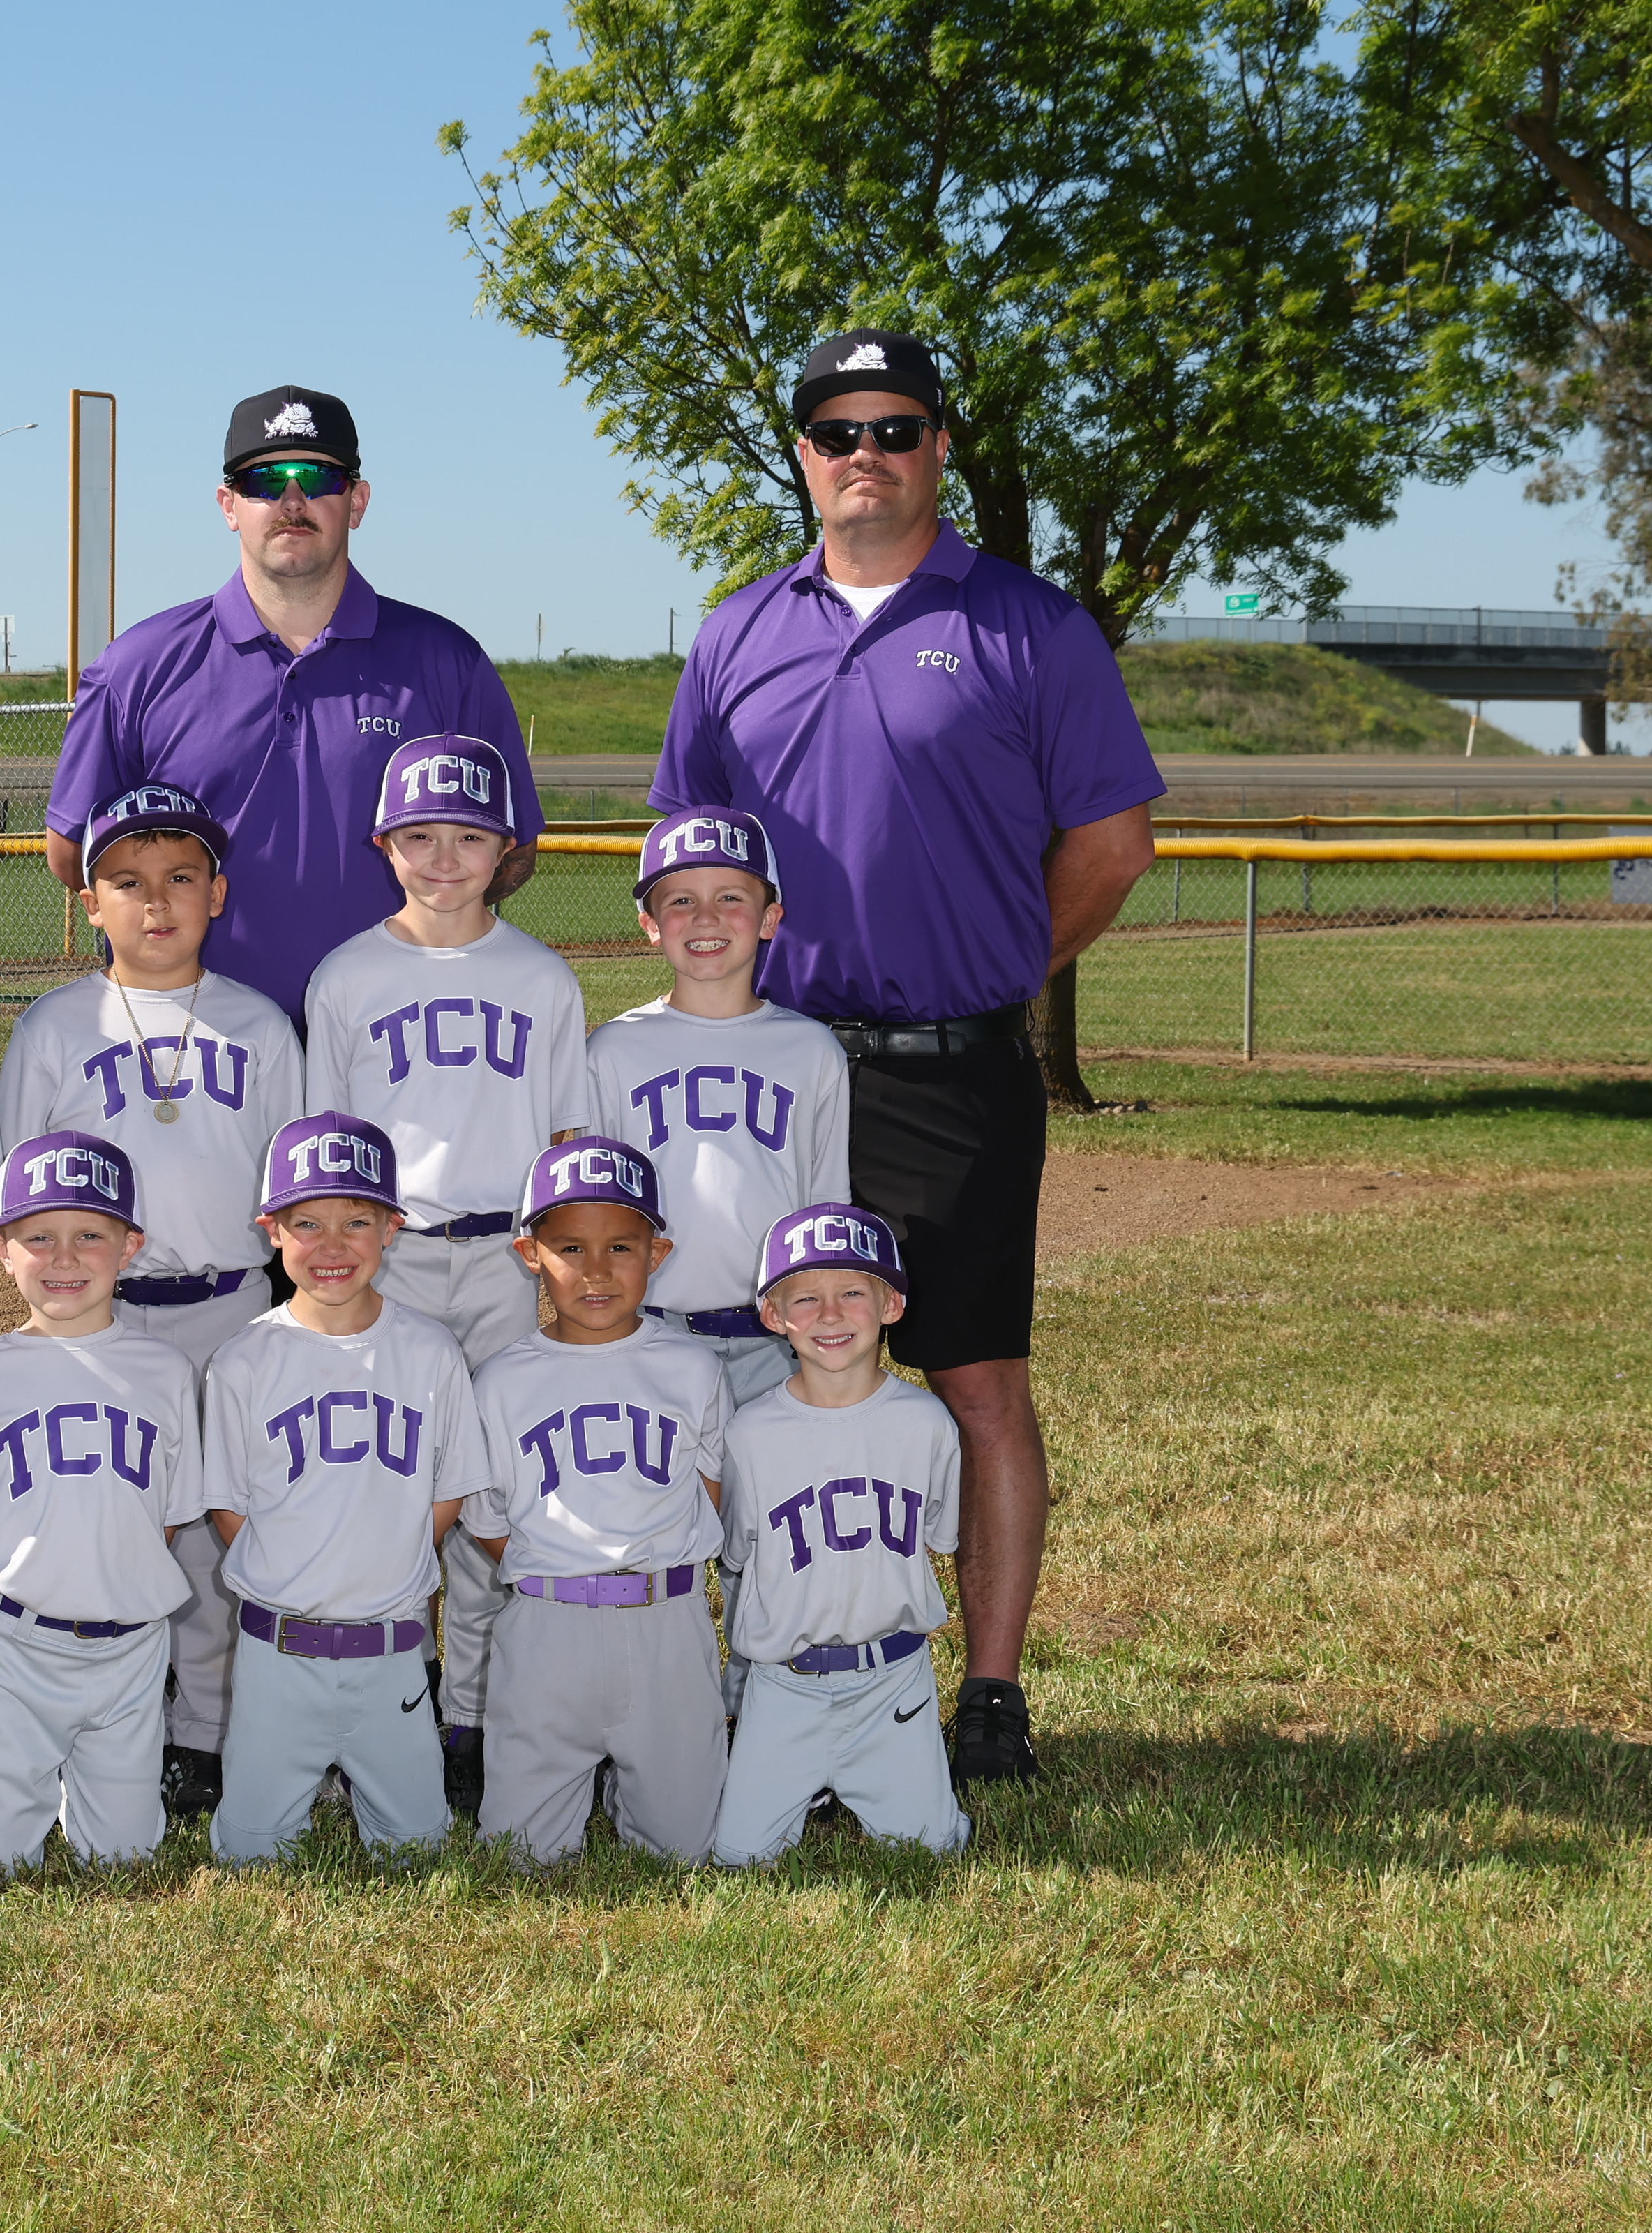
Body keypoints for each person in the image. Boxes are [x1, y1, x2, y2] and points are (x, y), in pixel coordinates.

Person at [649, 328, 1160, 1788]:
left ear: (939, 446)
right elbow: (689, 846)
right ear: (802, 456)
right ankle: (754, 1677)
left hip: (948, 1071)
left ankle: (987, 1691)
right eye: (836, 432)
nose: (862, 454)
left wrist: (999, 969)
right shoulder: (739, 631)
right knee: (746, 1372)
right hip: (772, 1064)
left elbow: (1114, 843)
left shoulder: (1028, 626)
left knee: (976, 1380)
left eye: (893, 429)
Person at [0, 783, 303, 1821]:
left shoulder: (260, 1024)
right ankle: (91, 1716)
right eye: (127, 882)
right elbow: (15, 1192)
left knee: (213, 1527)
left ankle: (203, 1733)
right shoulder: (53, 1025)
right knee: (98, 1513)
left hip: (227, 1307)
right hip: (96, 1313)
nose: (156, 902)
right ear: (90, 902)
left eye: (180, 878)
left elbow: (292, 1190)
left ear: (218, 893)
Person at [41, 386, 540, 1024]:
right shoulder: (137, 666)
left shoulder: (447, 661)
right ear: (229, 505)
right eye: (265, 480)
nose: (292, 500)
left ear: (356, 501)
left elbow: (515, 848)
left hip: (395, 1037)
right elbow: (74, 855)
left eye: (319, 477)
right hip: (198, 1041)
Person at [301, 735, 592, 1813]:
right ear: (384, 845)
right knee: (382, 1490)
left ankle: (472, 1715)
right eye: (419, 836)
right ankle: (381, 1708)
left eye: (467, 838)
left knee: (494, 1495)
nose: (442, 859)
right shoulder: (348, 975)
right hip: (393, 1255)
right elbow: (326, 1142)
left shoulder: (541, 976)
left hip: (509, 1259)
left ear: (505, 849)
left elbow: (567, 1140)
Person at [199, 1114, 496, 1865]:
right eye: (308, 1223)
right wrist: (298, 1571)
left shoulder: (430, 1351)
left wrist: (387, 1555)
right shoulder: (243, 1361)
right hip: (279, 1648)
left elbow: (449, 1492)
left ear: (393, 1227)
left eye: (357, 1221)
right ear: (271, 1230)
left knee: (417, 1854)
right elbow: (229, 1505)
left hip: (391, 1647)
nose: (333, 1245)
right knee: (249, 1857)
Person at [0, 1131, 203, 1874]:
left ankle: (58, 1777)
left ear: (130, 1245)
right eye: (39, 1237)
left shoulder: (166, 1371)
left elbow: (167, 1518)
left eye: (91, 1235)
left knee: (123, 1858)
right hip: (11, 1642)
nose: (66, 1257)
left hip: (129, 1645)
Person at [462, 1137, 733, 1867]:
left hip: (666, 1620)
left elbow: (707, 1496)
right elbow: (488, 1519)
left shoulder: (693, 1368)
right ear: (530, 1253)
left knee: (685, 1853)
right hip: (548, 1626)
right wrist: (562, 1570)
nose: (597, 1270)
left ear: (657, 1252)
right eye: (570, 1248)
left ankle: (634, 1782)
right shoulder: (500, 1380)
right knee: (521, 1860)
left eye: (621, 1246)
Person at [711, 1203, 968, 1862]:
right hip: (784, 1685)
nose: (830, 1314)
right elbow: (737, 1553)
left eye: (853, 1292)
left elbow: (939, 1536)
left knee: (930, 1851)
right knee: (741, 1858)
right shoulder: (749, 1435)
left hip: (893, 1679)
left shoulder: (927, 1424)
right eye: (805, 1298)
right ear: (773, 1316)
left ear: (892, 1304)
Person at [587, 809, 850, 1407]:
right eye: (681, 901)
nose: (705, 918)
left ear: (770, 918)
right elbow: (598, 1212)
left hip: (778, 1338)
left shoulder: (811, 1050)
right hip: (652, 1333)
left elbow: (826, 1204)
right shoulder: (613, 1050)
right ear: (650, 925)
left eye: (730, 897)